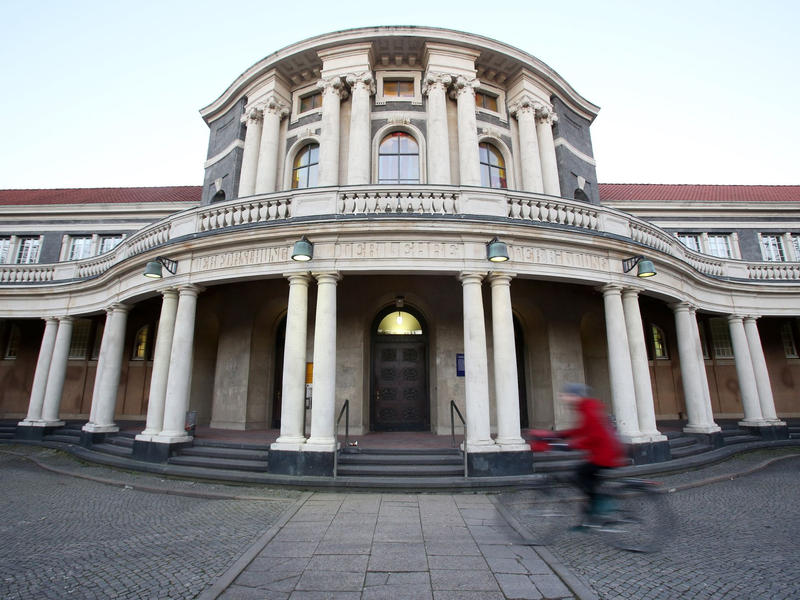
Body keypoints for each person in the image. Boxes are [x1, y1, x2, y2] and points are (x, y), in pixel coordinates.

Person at [557, 383, 627, 524]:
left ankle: (601, 505)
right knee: (588, 478)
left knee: (581, 474)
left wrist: (572, 444)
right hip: (602, 452)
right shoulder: (586, 406)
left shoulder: (588, 408)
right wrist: (559, 435)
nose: (563, 397)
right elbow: (582, 429)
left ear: (574, 396)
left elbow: (596, 435)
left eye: (565, 394)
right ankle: (594, 510)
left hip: (605, 454)